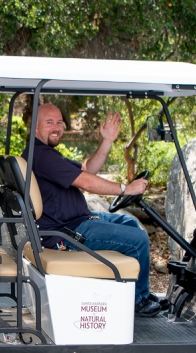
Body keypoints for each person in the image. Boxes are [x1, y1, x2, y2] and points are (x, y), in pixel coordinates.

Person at [21, 102, 167, 317]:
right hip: (65, 233)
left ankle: (138, 294)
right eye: (49, 122)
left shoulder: (46, 154)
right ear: (35, 128)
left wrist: (107, 140)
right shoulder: (41, 157)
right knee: (138, 239)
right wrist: (126, 189)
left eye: (59, 122)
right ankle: (138, 300)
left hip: (76, 221)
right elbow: (86, 182)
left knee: (130, 223)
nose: (56, 127)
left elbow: (87, 169)